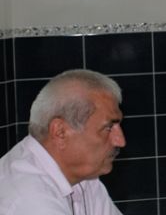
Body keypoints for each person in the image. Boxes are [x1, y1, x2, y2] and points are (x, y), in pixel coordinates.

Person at [0, 69, 126, 214]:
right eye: (108, 128)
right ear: (60, 132)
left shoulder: (84, 177)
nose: (120, 141)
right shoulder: (29, 200)